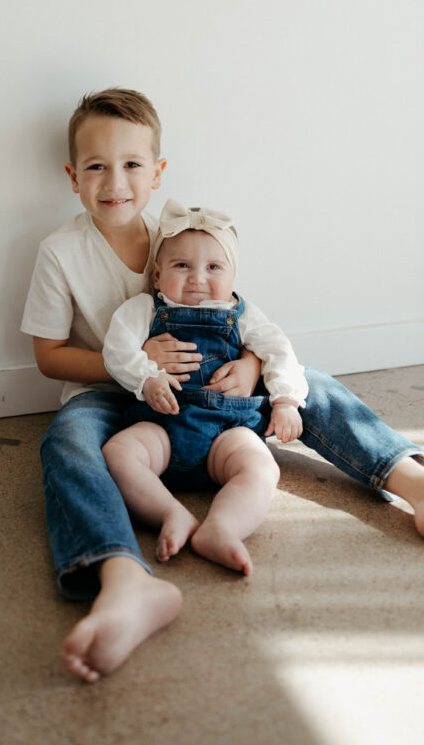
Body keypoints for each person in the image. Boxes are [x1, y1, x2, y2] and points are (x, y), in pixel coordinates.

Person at [21, 87, 424, 684]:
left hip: (212, 394)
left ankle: (419, 484)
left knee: (310, 383)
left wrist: (255, 369)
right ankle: (123, 579)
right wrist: (135, 366)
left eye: (131, 165)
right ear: (74, 177)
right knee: (67, 442)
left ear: (157, 173)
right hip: (113, 398)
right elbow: (49, 357)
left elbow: (244, 315)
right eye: (97, 167)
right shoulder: (59, 252)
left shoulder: (179, 235)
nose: (115, 182)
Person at [102, 199, 306, 576]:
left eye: (213, 267)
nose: (197, 278)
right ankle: (170, 514)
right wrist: (145, 378)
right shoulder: (144, 308)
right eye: (182, 266)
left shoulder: (242, 315)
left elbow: (280, 350)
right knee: (118, 452)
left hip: (225, 433)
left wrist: (287, 400)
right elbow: (116, 348)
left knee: (261, 467)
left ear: (232, 276)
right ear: (158, 276)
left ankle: (222, 527)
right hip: (162, 425)